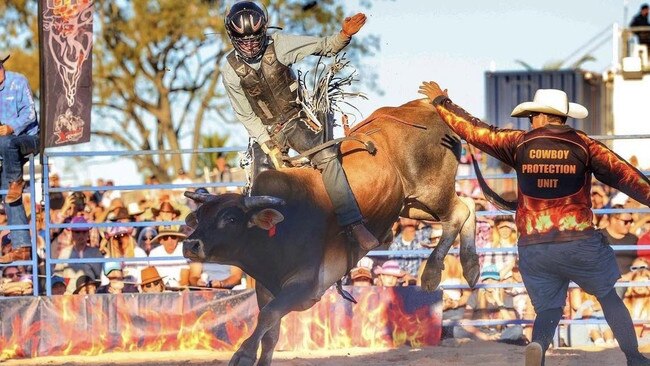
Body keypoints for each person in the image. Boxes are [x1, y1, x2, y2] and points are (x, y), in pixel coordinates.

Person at [419, 81, 650, 365]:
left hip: (534, 245)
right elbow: (626, 176)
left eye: (532, 115)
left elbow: (475, 130)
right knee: (607, 296)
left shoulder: (519, 143)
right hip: (578, 242)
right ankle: (634, 357)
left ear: (541, 115)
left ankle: (539, 345)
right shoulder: (585, 145)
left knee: (549, 308)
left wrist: (443, 102)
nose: (529, 121)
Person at [221, 1, 378, 250]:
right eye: (243, 39)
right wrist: (266, 142)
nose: (250, 44)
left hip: (295, 120)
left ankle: (353, 224)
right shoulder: (230, 70)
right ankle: (262, 244)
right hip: (266, 130)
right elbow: (245, 113)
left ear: (263, 32)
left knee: (327, 156)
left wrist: (344, 35)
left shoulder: (280, 45)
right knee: (260, 183)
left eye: (254, 38)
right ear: (233, 37)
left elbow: (324, 46)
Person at [0, 55, 40, 264]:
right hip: (5, 148)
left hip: (29, 138)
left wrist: (11, 127)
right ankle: (22, 246)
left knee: (8, 142)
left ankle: (16, 181)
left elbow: (30, 114)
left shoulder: (18, 81)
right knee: (8, 192)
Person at [600, 204, 639, 296]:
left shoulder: (633, 239)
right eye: (626, 222)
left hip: (629, 283)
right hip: (604, 282)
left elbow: (639, 262)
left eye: (631, 221)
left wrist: (631, 275)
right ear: (613, 220)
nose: (629, 224)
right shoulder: (597, 237)